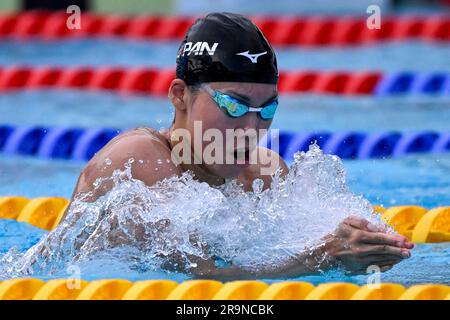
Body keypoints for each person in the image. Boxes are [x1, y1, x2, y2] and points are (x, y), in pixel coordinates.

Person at [63, 12, 413, 279]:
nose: (251, 128)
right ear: (179, 95)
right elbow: (205, 278)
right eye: (233, 106)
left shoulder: (265, 172)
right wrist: (323, 257)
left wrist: (360, 243)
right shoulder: (138, 160)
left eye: (267, 109)